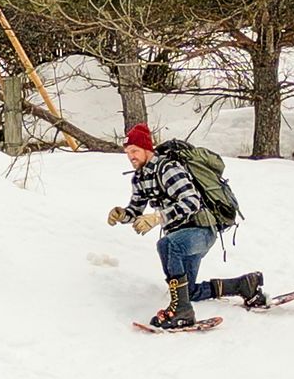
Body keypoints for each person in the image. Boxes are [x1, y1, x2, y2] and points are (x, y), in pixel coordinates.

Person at [107, 123, 268, 328]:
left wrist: (157, 218)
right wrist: (122, 215)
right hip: (180, 234)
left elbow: (191, 202)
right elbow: (135, 211)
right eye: (128, 152)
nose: (131, 156)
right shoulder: (140, 178)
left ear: (147, 149)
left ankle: (181, 311)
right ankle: (244, 285)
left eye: (135, 151)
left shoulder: (167, 168)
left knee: (167, 245)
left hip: (201, 230)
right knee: (187, 290)